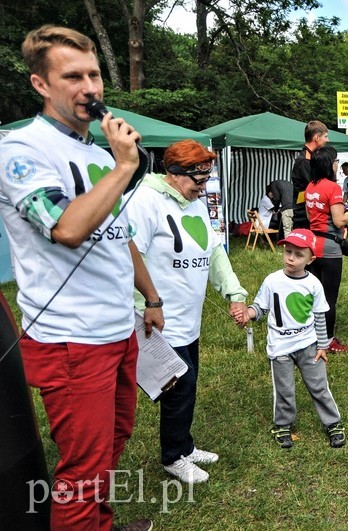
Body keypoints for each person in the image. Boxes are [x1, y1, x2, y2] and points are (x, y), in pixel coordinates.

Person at [0, 25, 164, 530]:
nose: (89, 87)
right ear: (40, 85)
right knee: (83, 471)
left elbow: (119, 234)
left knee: (112, 444)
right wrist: (124, 168)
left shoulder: (96, 155)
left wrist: (151, 297)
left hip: (118, 330)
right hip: (72, 340)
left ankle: (101, 523)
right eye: (72, 76)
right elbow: (68, 227)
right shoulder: (20, 150)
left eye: (93, 74)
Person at [126, 139, 248, 484]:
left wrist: (235, 293)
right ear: (175, 173)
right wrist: (146, 304)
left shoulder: (193, 203)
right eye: (199, 180)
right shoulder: (145, 201)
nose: (203, 187)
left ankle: (184, 445)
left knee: (188, 384)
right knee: (179, 386)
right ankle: (172, 457)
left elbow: (213, 251)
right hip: (158, 318)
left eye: (208, 180)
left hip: (188, 317)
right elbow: (127, 255)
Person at [234, 229, 346, 447]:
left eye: (298, 254)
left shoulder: (313, 284)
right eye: (287, 252)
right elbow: (261, 307)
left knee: (319, 386)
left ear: (311, 259)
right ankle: (283, 425)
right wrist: (248, 313)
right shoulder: (272, 281)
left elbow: (320, 316)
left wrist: (322, 345)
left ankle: (333, 423)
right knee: (284, 389)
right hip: (280, 347)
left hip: (309, 345)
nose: (291, 258)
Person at [305, 145, 348, 353]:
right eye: (335, 162)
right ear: (328, 164)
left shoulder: (310, 187)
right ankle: (328, 340)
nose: (337, 165)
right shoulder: (333, 188)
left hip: (313, 246)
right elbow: (339, 220)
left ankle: (315, 335)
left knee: (315, 294)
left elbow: (309, 217)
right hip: (330, 248)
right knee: (329, 297)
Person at [291, 120, 329, 230]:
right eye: (325, 136)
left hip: (312, 214)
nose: (327, 140)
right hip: (304, 218)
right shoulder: (304, 161)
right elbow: (315, 187)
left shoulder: (311, 158)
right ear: (316, 137)